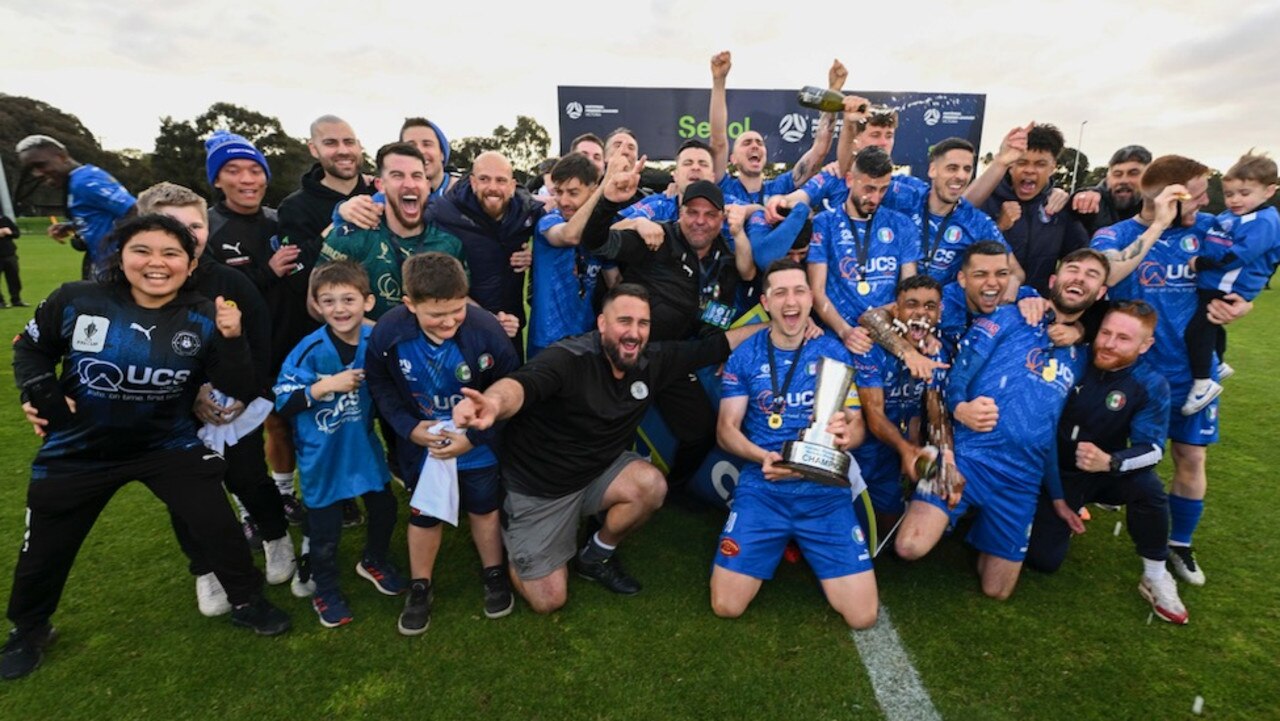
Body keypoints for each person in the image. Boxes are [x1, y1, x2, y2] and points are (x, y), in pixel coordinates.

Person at [3, 214, 292, 680]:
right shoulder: (76, 300)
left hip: (168, 443)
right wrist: (42, 396)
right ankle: (29, 629)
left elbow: (237, 384)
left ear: (190, 262)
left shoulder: (204, 314)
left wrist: (233, 338)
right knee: (46, 547)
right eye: (143, 251)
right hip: (78, 450)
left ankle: (246, 599)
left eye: (171, 253)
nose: (156, 262)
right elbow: (30, 348)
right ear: (121, 256)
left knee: (215, 523)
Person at [451, 284, 763, 613]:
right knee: (548, 600)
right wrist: (493, 403)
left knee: (651, 485)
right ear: (602, 323)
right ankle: (515, 526)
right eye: (624, 321)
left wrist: (780, 325)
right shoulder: (569, 358)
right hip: (540, 487)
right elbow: (524, 385)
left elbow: (718, 345)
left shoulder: (652, 360)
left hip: (596, 472)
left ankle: (594, 555)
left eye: (642, 323)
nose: (634, 333)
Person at [894, 249, 1110, 600]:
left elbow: (1051, 430)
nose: (1079, 278)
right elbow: (955, 375)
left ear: (1100, 293)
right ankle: (944, 511)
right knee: (909, 546)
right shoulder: (1009, 317)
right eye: (1073, 269)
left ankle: (979, 527)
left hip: (1022, 478)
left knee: (997, 590)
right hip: (970, 456)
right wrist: (961, 407)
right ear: (1053, 281)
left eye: (1091, 275)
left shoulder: (1085, 356)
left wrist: (1056, 498)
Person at [1091, 155, 1253, 586]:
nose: (1205, 203)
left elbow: (1248, 266)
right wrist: (1157, 226)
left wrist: (1243, 302)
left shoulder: (1209, 230)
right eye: (1197, 196)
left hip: (1193, 372)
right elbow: (1107, 270)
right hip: (1135, 372)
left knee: (1191, 455)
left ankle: (1179, 543)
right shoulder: (1118, 233)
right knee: (1128, 455)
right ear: (1170, 197)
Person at [136, 182, 296, 614]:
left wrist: (244, 394)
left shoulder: (229, 280)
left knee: (247, 478)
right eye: (172, 224)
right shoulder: (132, 285)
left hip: (236, 407)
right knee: (187, 496)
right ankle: (206, 569)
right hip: (172, 416)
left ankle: (277, 538)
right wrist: (191, 396)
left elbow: (261, 343)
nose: (188, 234)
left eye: (196, 224)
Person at [710, 260, 877, 628]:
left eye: (800, 291)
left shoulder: (833, 352)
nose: (791, 301)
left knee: (863, 616)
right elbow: (726, 429)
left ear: (810, 299)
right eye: (780, 292)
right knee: (726, 605)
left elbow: (857, 425)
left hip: (823, 492)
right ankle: (781, 541)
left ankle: (800, 542)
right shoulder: (746, 355)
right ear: (767, 302)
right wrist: (762, 456)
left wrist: (850, 433)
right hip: (763, 487)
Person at [365, 253, 519, 634]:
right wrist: (408, 427)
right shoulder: (388, 332)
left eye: (457, 309)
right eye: (437, 314)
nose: (449, 321)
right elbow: (379, 382)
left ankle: (493, 572)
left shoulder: (486, 330)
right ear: (409, 304)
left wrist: (475, 437)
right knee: (424, 513)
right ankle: (421, 587)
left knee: (484, 508)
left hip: (477, 444)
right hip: (424, 443)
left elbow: (513, 387)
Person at [581, 174, 755, 488]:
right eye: (692, 212)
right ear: (680, 212)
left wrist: (719, 349)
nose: (699, 221)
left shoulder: (724, 263)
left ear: (720, 218)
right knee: (607, 432)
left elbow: (714, 322)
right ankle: (598, 507)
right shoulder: (656, 238)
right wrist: (610, 204)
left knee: (701, 431)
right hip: (623, 355)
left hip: (670, 358)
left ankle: (674, 492)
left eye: (709, 214)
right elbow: (595, 241)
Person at [1025, 300, 1188, 624]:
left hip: (1104, 472)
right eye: (1105, 333)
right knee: (1044, 561)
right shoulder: (1075, 358)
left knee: (1148, 487)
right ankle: (1049, 513)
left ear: (1146, 345)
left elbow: (1153, 448)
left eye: (1123, 339)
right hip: (1058, 475)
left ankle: (1155, 575)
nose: (1109, 344)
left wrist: (1111, 462)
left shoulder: (1150, 383)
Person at [273, 260, 404, 628]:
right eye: (328, 301)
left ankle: (374, 560)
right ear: (316, 304)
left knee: (384, 508)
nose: (339, 309)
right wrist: (325, 385)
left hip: (363, 447)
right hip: (322, 455)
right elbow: (282, 401)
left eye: (348, 299)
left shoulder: (376, 340)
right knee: (324, 532)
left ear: (367, 301)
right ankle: (325, 589)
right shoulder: (309, 349)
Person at [851, 275, 954, 536]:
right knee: (852, 530)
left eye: (930, 306)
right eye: (912, 304)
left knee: (887, 532)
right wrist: (906, 448)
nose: (921, 312)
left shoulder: (937, 352)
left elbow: (936, 411)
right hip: (863, 447)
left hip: (900, 452)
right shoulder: (870, 347)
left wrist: (945, 459)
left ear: (939, 312)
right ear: (895, 310)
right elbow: (874, 414)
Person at [320, 142, 467, 320]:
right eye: (398, 176)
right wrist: (383, 336)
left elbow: (460, 302)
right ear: (380, 184)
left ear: (427, 185)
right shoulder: (351, 236)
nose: (409, 184)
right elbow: (316, 305)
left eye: (417, 176)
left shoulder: (450, 242)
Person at [1182, 152, 1279, 414]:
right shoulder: (1231, 215)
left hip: (1227, 286)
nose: (1235, 200)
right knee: (1211, 328)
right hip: (1216, 284)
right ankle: (1218, 362)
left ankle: (1203, 383)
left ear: (1269, 191)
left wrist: (1200, 263)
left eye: (1244, 193)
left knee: (1197, 331)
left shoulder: (1265, 221)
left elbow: (1238, 255)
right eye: (1229, 193)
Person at [425, 151, 543, 352]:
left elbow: (560, 231)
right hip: (461, 327)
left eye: (501, 180)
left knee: (510, 381)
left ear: (513, 186)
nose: (493, 188)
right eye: (484, 179)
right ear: (472, 182)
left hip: (510, 326)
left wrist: (534, 257)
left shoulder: (527, 211)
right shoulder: (445, 211)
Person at [807, 146, 921, 354]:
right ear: (850, 180)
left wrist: (891, 331)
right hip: (838, 339)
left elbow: (909, 291)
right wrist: (845, 332)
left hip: (887, 337)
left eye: (883, 189)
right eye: (869, 189)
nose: (876, 198)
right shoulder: (824, 223)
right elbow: (817, 291)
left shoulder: (901, 225)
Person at [711, 52, 842, 204]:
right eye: (747, 143)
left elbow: (819, 149)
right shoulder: (723, 186)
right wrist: (719, 81)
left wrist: (834, 92)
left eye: (759, 143)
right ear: (732, 159)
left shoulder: (780, 187)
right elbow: (718, 141)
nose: (755, 146)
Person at [979, 124, 1090, 296]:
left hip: (1038, 308)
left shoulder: (1060, 206)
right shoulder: (986, 198)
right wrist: (998, 227)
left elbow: (1082, 258)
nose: (1030, 170)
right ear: (1010, 165)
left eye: (1040, 164)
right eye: (1022, 162)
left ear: (1053, 167)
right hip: (991, 305)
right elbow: (965, 253)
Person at [16, 135, 136, 279]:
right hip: (103, 266)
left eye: (41, 165)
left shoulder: (84, 182)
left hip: (116, 269)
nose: (36, 174)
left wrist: (117, 254)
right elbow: (105, 214)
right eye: (31, 169)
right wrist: (74, 225)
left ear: (62, 157)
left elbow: (135, 210)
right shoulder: (77, 180)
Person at [528, 153, 605, 357]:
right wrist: (602, 192)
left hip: (586, 339)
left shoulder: (599, 230)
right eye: (559, 192)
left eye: (573, 193)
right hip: (548, 342)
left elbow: (615, 280)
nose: (563, 201)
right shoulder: (550, 221)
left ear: (592, 191)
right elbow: (570, 235)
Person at [1070, 145, 1152, 236]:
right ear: (1108, 178)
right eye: (1117, 174)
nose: (1123, 180)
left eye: (1133, 173)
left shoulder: (1162, 207)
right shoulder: (1093, 204)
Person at [399, 117, 456, 197]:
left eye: (427, 144)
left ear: (442, 153)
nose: (419, 151)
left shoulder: (465, 195)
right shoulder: (386, 200)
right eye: (411, 146)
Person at [0, 213, 25, 307]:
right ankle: (0, 301)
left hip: (9, 254)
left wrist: (9, 232)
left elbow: (17, 233)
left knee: (14, 279)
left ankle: (16, 299)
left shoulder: (5, 219)